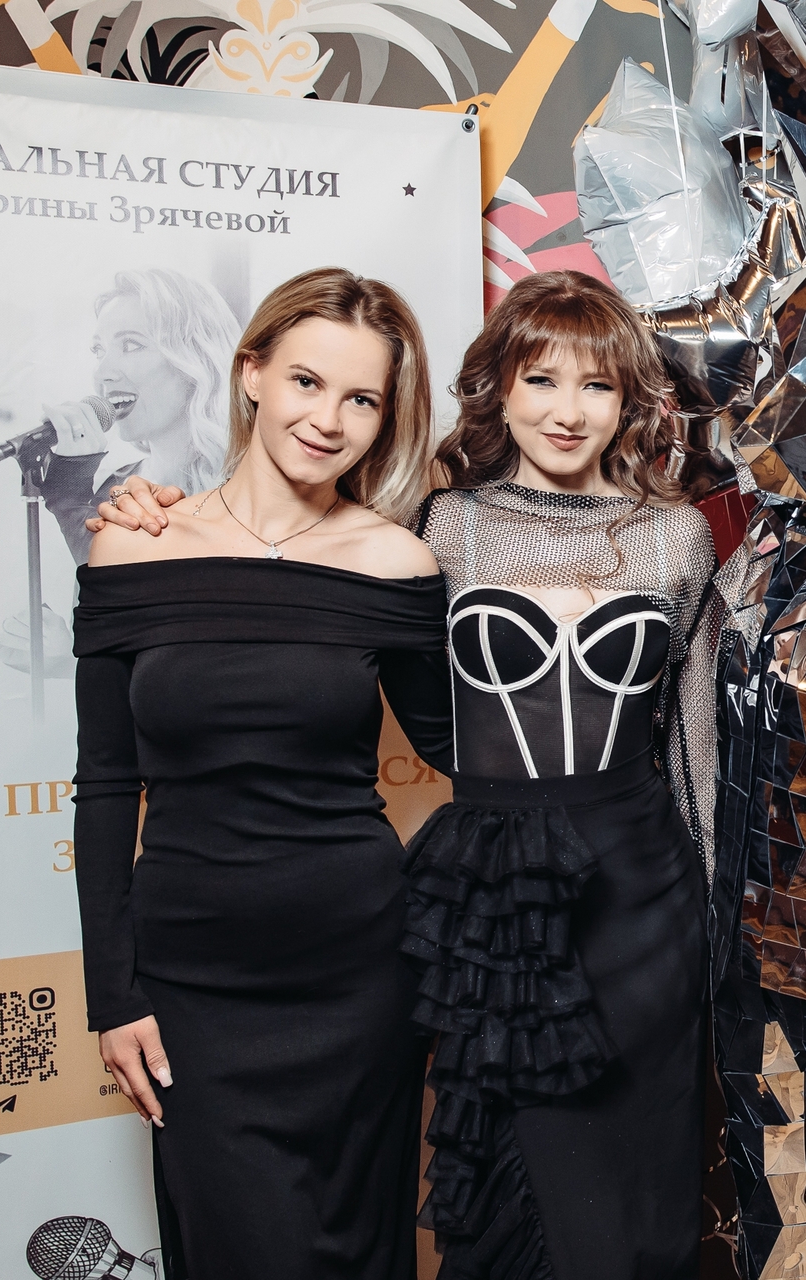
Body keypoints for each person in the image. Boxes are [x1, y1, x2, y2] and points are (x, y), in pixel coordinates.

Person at [91, 269, 720, 1280]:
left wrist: (705, 922)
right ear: (250, 373)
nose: (567, 410)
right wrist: (153, 516)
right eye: (541, 379)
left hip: (596, 905)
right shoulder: (435, 530)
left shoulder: (648, 538)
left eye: (596, 385)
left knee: (603, 1212)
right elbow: (117, 777)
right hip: (435, 913)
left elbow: (669, 747)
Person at [71, 267, 450, 1280]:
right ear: (250, 372)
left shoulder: (395, 563)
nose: (328, 420)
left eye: (362, 399)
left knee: (357, 1253)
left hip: (360, 979)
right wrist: (113, 993)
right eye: (306, 382)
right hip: (193, 987)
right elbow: (105, 785)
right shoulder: (131, 547)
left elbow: (474, 755)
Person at [40, 267, 238, 564]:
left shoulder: (248, 488)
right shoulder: (114, 488)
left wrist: (69, 504)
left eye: (131, 345)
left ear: (195, 359)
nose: (102, 373)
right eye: (99, 350)